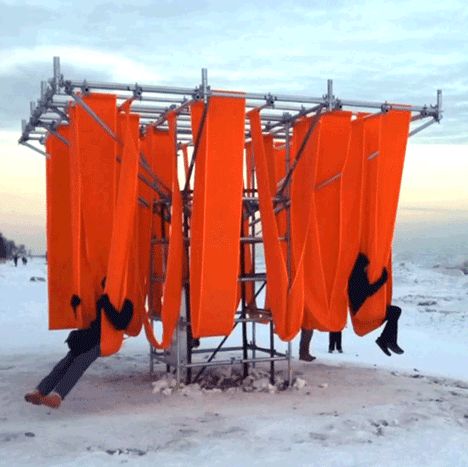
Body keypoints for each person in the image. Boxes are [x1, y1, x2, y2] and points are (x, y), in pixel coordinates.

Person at [24, 281, 133, 409]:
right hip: (91, 337)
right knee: (64, 363)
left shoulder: (127, 302)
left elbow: (121, 323)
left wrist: (106, 304)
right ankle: (40, 391)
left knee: (79, 363)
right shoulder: (104, 298)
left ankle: (57, 396)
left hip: (105, 341)